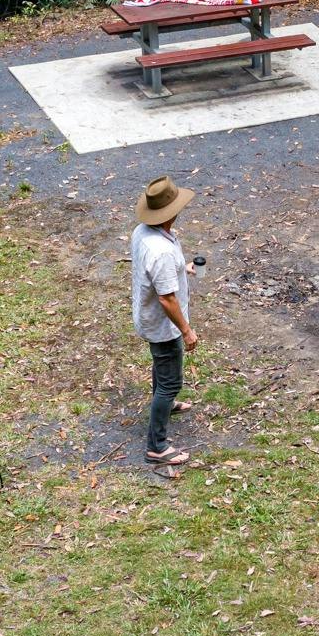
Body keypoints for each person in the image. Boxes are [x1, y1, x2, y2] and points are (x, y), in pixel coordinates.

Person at [131, 175, 199, 465]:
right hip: (163, 326)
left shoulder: (143, 233)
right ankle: (156, 446)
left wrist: (180, 268)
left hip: (149, 318)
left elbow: (155, 273)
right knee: (170, 380)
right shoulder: (160, 251)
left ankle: (167, 404)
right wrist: (186, 330)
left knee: (162, 367)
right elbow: (167, 299)